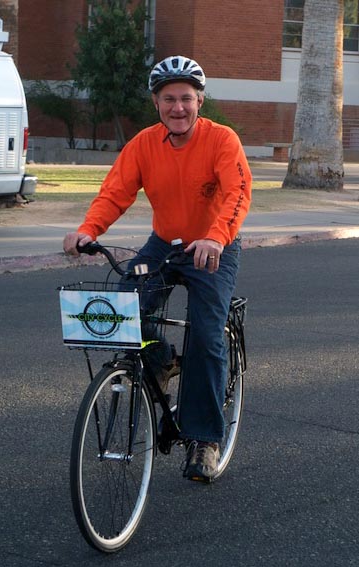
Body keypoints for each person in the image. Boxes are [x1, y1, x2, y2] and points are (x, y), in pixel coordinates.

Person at [63, 55, 252, 482]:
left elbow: (237, 192)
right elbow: (115, 192)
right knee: (123, 315)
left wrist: (217, 237)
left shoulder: (222, 140)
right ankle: (163, 360)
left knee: (205, 335)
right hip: (163, 245)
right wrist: (87, 229)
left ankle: (204, 439)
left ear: (200, 101)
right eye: (169, 99)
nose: (178, 107)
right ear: (156, 103)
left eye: (186, 98)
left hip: (213, 246)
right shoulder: (145, 144)